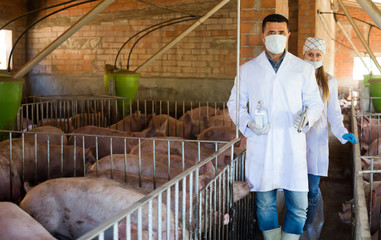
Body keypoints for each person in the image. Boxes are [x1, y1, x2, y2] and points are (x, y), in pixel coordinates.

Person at [227, 14, 324, 240]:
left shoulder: (303, 69)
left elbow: (315, 103)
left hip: (292, 143)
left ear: (288, 36)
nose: (276, 37)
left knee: (299, 206)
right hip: (263, 144)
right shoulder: (248, 69)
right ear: (262, 36)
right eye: (271, 32)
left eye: (281, 32)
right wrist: (248, 123)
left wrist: (307, 116)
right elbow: (234, 103)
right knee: (264, 205)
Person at [302, 37, 357, 232]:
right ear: (304, 55)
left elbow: (334, 113)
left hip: (317, 141)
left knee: (313, 188)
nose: (314, 57)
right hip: (296, 139)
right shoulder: (296, 77)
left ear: (323, 57)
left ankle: (308, 227)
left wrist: (343, 133)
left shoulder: (330, 81)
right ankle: (295, 227)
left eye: (318, 55)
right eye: (310, 54)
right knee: (295, 189)